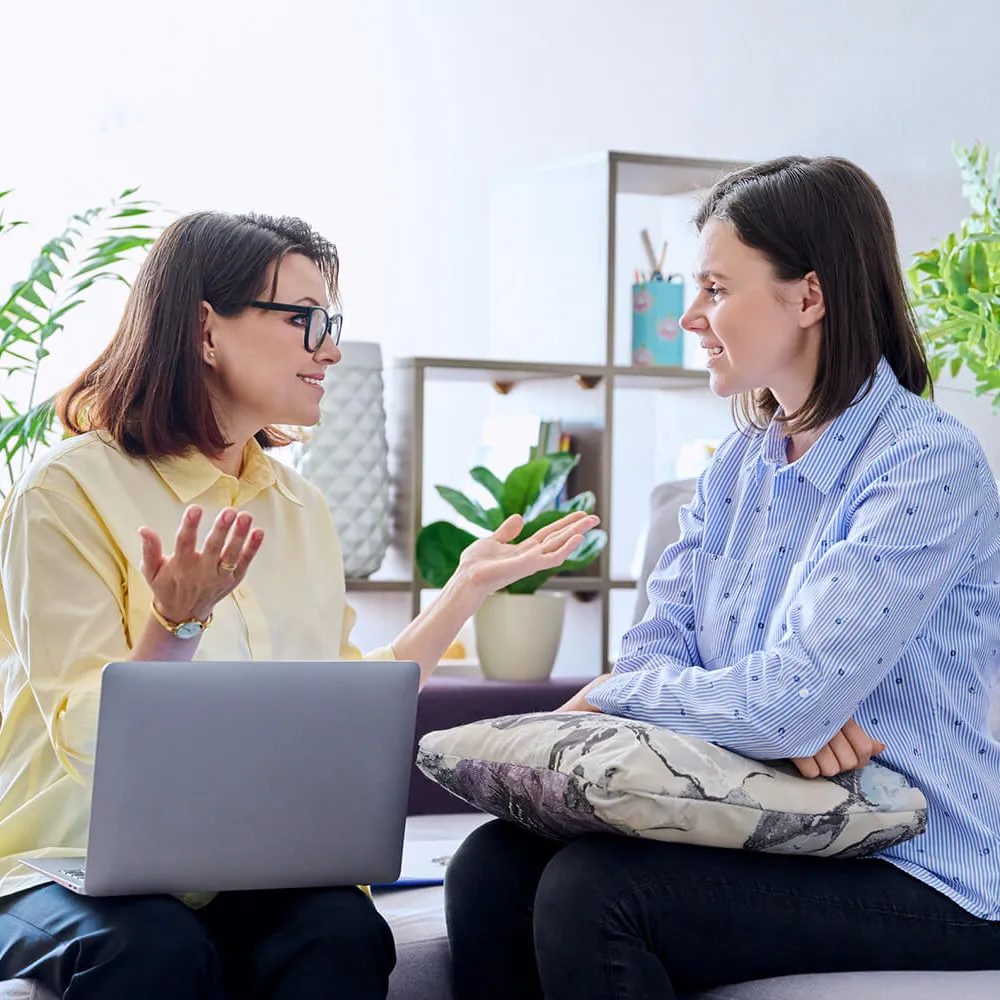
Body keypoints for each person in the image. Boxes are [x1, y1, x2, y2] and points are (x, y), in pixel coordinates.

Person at [0, 211, 600, 1000]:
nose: (331, 348)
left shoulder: (299, 509)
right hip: (63, 868)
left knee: (341, 932)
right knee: (153, 951)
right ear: (206, 329)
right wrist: (174, 622)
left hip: (246, 864)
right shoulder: (66, 492)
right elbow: (91, 744)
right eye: (304, 319)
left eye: (333, 321)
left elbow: (346, 698)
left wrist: (465, 590)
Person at [445, 155, 1000, 1000]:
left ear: (808, 298)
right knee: (491, 867)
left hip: (923, 865)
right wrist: (766, 713)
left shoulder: (926, 462)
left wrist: (635, 698)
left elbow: (770, 702)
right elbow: (707, 679)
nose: (690, 317)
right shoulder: (736, 467)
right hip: (770, 818)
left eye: (713, 288)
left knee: (599, 895)